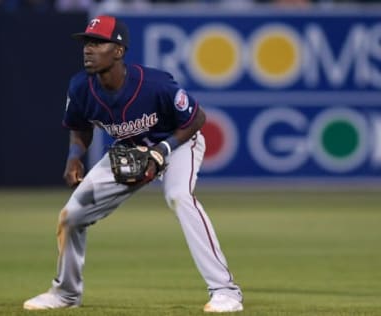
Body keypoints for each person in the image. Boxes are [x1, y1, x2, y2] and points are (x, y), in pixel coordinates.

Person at [23, 15, 243, 313]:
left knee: (179, 196)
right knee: (71, 215)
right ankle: (66, 293)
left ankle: (225, 291)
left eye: (98, 42)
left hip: (178, 144)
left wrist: (162, 152)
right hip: (129, 150)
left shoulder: (154, 84)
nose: (88, 49)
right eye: (87, 42)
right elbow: (80, 126)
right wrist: (74, 156)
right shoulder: (80, 87)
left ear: (118, 51)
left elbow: (197, 119)